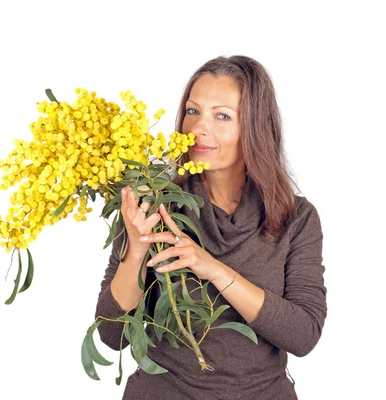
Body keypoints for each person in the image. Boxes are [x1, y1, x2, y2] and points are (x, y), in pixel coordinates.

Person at [95, 55, 327, 399]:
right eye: (193, 111)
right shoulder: (154, 201)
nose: (199, 128)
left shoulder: (297, 218)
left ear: (254, 126)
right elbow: (113, 336)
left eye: (222, 116)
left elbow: (303, 335)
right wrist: (137, 248)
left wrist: (213, 269)